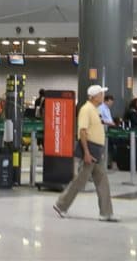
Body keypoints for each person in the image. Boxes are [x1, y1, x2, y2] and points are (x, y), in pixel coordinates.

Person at [53, 86, 116, 222]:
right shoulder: (86, 109)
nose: (103, 95)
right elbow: (82, 131)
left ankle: (106, 213)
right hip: (90, 150)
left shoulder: (95, 109)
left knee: (102, 181)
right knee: (80, 180)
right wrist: (86, 153)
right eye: (101, 93)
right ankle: (61, 205)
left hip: (97, 151)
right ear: (94, 96)